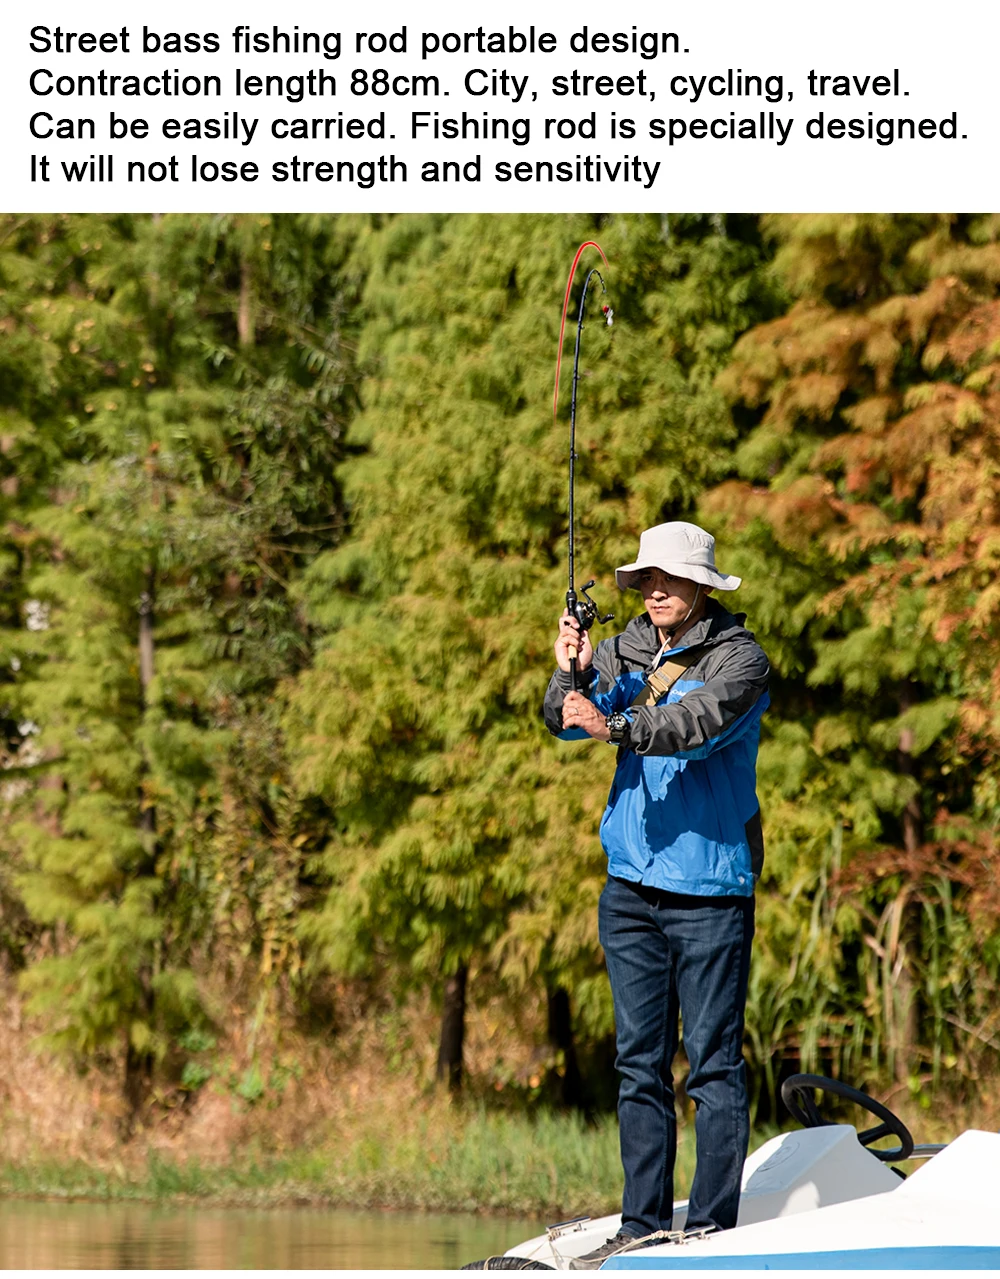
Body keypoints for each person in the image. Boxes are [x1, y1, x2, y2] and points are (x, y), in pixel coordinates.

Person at [543, 521, 769, 1269]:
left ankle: (709, 1234)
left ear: (703, 586)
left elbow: (694, 726)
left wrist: (612, 722)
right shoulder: (624, 649)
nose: (656, 589)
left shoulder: (740, 659)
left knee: (712, 1068)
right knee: (639, 1065)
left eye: (671, 578)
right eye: (647, 578)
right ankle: (640, 1226)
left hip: (709, 892)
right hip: (629, 892)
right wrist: (572, 674)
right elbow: (564, 721)